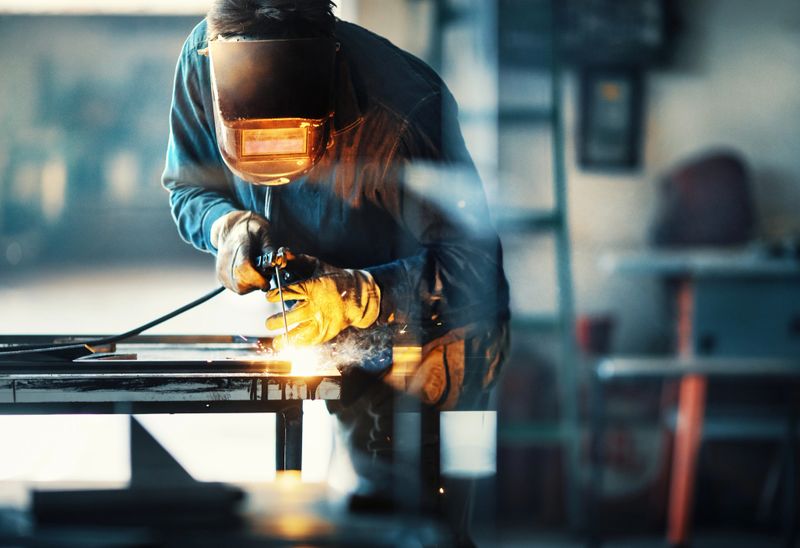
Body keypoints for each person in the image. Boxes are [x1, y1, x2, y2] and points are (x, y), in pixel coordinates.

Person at [162, 0, 509, 542]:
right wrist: (225, 226)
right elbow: (188, 185)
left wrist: (359, 294)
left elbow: (479, 269)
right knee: (352, 521)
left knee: (415, 528)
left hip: (444, 342)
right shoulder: (204, 58)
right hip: (337, 338)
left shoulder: (407, 107)